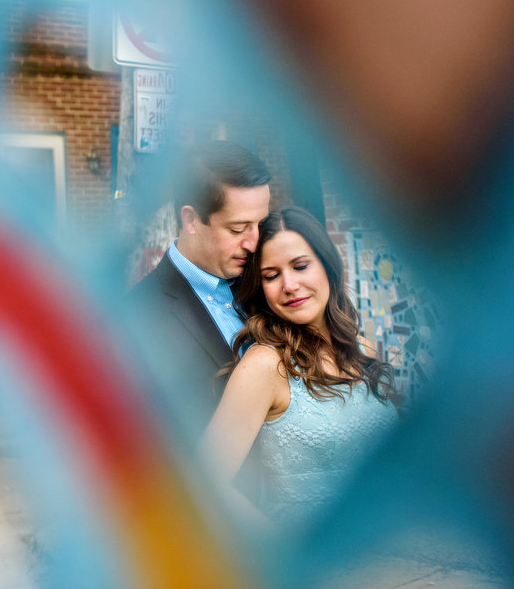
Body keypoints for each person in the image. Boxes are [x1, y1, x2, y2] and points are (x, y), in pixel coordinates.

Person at [201, 206, 397, 527]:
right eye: (271, 275)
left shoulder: (362, 348)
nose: (289, 285)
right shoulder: (266, 365)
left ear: (328, 267)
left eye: (300, 266)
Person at [131, 140, 272, 431]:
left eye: (261, 224)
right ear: (191, 219)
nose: (254, 242)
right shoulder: (137, 315)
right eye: (237, 228)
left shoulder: (272, 283)